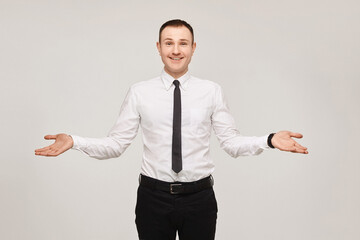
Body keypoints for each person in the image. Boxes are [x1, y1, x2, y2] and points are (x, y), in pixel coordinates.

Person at [35, 19, 308, 240]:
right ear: (158, 46)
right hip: (153, 199)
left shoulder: (211, 91)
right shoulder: (139, 92)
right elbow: (116, 145)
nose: (176, 50)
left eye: (183, 43)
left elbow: (231, 143)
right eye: (169, 43)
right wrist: (74, 140)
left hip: (199, 199)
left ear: (193, 47)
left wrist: (270, 139)